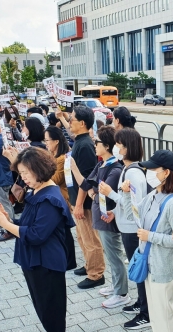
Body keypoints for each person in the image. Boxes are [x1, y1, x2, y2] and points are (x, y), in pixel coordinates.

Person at [0, 147, 75, 332]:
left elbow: (37, 234)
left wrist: (7, 226)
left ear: (39, 169)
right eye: (21, 172)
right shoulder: (36, 192)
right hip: (34, 258)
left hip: (47, 261)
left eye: (26, 172)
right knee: (41, 304)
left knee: (51, 306)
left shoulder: (51, 197)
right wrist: (10, 220)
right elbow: (29, 226)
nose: (23, 177)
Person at [126, 150, 173, 332]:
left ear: (166, 172)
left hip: (163, 268)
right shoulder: (152, 196)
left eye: (153, 170)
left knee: (165, 314)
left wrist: (151, 237)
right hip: (149, 265)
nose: (149, 173)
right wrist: (122, 194)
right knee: (156, 314)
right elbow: (134, 213)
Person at [70, 126, 129, 308]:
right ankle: (116, 285)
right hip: (101, 217)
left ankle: (122, 293)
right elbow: (88, 184)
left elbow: (102, 193)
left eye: (98, 142)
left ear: (108, 145)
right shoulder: (101, 164)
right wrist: (76, 171)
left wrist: (94, 194)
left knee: (114, 255)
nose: (95, 145)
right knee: (111, 255)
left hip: (108, 218)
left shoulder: (115, 169)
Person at [101, 128, 151, 329]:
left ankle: (147, 313)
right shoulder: (127, 168)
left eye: (119, 145)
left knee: (138, 268)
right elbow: (128, 202)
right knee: (135, 266)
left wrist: (112, 194)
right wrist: (116, 210)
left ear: (127, 147)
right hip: (127, 226)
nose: (116, 148)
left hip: (132, 229)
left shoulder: (132, 171)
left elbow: (136, 205)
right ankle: (141, 302)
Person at [67, 106, 106, 289]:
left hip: (86, 202)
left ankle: (96, 273)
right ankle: (89, 265)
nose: (69, 122)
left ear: (82, 123)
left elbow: (87, 180)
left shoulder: (85, 146)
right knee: (83, 237)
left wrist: (80, 204)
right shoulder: (79, 142)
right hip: (78, 199)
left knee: (91, 239)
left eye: (71, 119)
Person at [44, 126, 71, 205]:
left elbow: (55, 180)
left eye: (47, 140)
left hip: (61, 197)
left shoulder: (62, 159)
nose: (45, 143)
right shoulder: (52, 155)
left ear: (56, 141)